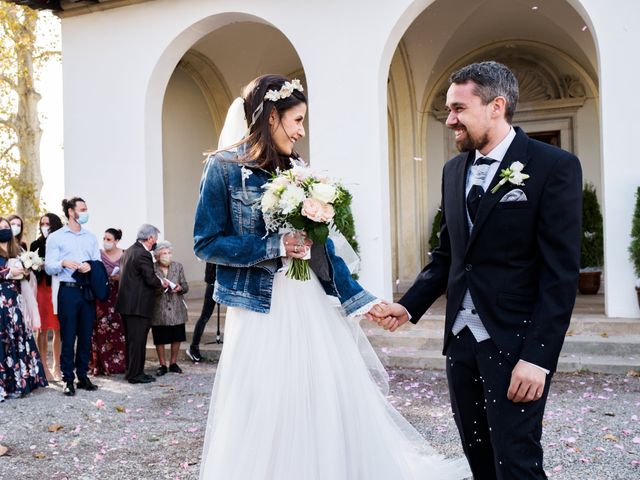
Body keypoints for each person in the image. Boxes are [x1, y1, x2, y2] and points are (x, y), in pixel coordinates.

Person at [193, 74, 469, 480]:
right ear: (272, 117)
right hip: (259, 308)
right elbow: (206, 242)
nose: (302, 131)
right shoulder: (223, 168)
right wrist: (274, 246)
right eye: (297, 120)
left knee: (321, 393)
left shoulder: (300, 170)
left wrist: (363, 300)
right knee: (268, 399)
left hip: (307, 302)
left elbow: (327, 252)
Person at [370, 61, 582, 479]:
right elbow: (447, 255)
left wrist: (537, 358)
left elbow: (561, 273)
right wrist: (408, 307)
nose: (450, 119)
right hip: (461, 343)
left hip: (514, 342)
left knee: (517, 462)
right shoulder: (453, 171)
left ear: (495, 106)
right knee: (479, 460)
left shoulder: (553, 166)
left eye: (458, 108)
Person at [44, 197, 101, 396]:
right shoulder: (56, 237)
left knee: (85, 335)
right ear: (71, 211)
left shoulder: (91, 237)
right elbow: (49, 266)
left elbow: (98, 262)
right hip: (67, 290)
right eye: (82, 209)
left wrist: (91, 266)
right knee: (68, 336)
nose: (86, 212)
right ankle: (68, 379)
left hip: (86, 290)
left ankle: (83, 376)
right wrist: (63, 263)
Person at [0, 217, 48, 401]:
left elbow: (25, 275)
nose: (6, 230)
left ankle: (21, 382)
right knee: (3, 338)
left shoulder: (17, 250)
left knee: (18, 336)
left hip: (15, 299)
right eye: (2, 227)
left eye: (7, 227)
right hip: (1, 300)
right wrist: (9, 272)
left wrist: (26, 271)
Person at [116, 224, 168, 384]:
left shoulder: (129, 251)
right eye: (155, 238)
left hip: (127, 305)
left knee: (132, 341)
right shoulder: (143, 254)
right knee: (138, 341)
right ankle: (135, 374)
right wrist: (162, 283)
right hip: (138, 306)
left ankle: (131, 370)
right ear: (150, 238)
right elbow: (150, 278)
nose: (156, 241)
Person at [29, 213, 64, 381]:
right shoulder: (35, 244)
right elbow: (29, 267)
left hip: (57, 287)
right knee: (42, 328)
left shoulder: (61, 242)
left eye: (48, 224)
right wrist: (38, 265)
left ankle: (56, 366)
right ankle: (43, 365)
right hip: (42, 289)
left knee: (58, 327)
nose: (44, 227)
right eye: (42, 223)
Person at [90, 228, 126, 375]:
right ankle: (101, 363)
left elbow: (130, 273)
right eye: (104, 238)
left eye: (109, 239)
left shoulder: (124, 254)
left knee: (119, 329)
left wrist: (121, 276)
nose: (106, 242)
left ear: (116, 241)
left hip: (118, 294)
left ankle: (118, 363)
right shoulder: (98, 254)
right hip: (102, 295)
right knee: (101, 328)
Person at [150, 241, 189, 376]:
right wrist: (161, 287)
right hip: (159, 307)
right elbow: (149, 288)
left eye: (169, 253)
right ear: (157, 256)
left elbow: (185, 285)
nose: (167, 256)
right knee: (159, 337)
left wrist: (180, 288)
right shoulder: (152, 268)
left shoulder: (178, 266)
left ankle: (173, 363)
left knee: (176, 336)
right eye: (164, 253)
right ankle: (162, 364)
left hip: (176, 306)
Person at [185, 262, 216, 363]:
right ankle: (193, 347)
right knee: (205, 316)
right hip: (213, 284)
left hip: (223, 284)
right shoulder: (213, 249)